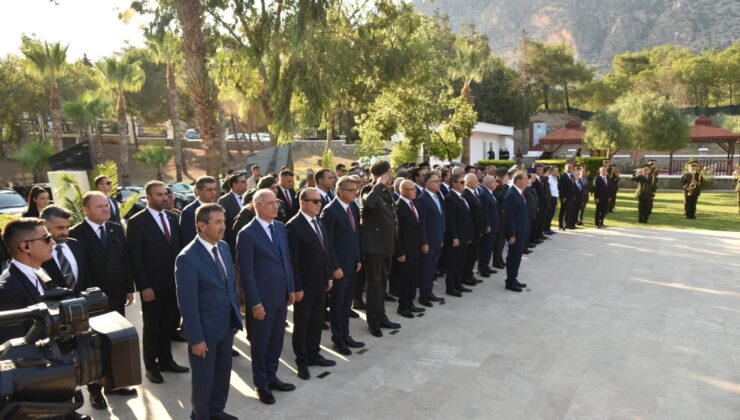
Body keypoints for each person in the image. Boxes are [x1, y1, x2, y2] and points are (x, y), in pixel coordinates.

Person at [0, 219, 92, 420]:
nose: (52, 243)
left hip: (57, 380)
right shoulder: (8, 289)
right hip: (38, 391)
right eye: (46, 238)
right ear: (25, 246)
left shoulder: (41, 272)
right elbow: (16, 354)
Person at [175, 203, 243, 420]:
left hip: (225, 326)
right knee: (204, 380)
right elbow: (187, 304)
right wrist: (196, 338)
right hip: (204, 333)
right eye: (218, 222)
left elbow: (229, 286)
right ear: (202, 225)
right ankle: (201, 416)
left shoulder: (223, 247)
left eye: (223, 221)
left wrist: (235, 319)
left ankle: (216, 411)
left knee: (222, 376)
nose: (223, 226)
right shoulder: (187, 258)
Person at [237, 189, 296, 405]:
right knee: (261, 344)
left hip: (281, 296)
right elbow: (247, 272)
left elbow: (286, 260)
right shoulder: (247, 233)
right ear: (258, 206)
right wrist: (254, 302)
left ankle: (272, 377)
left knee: (276, 341)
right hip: (262, 300)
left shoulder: (279, 227)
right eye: (271, 203)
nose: (276, 207)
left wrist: (290, 287)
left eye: (276, 203)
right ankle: (261, 385)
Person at [127, 181, 189, 384]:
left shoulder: (172, 217)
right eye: (159, 194)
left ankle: (166, 360)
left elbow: (178, 250)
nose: (164, 197)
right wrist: (144, 286)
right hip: (152, 286)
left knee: (168, 324)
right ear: (148, 197)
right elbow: (135, 258)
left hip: (173, 283)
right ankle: (151, 367)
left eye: (165, 193)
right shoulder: (137, 222)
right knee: (152, 326)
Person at [286, 188, 337, 380]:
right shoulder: (294, 226)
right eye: (314, 201)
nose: (319, 204)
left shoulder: (319, 221)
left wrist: (329, 276)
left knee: (316, 322)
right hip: (304, 287)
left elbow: (326, 251)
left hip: (321, 283)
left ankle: (314, 354)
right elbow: (293, 260)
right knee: (302, 324)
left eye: (320, 201)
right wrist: (297, 287)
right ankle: (302, 360)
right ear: (303, 203)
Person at [69, 192, 134, 315]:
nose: (105, 209)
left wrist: (129, 289)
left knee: (119, 331)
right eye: (99, 206)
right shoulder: (75, 233)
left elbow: (125, 259)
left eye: (106, 205)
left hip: (117, 293)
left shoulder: (116, 228)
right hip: (94, 297)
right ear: (86, 210)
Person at [321, 176, 365, 355]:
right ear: (340, 191)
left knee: (346, 304)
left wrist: (358, 258)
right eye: (351, 190)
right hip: (339, 267)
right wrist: (335, 267)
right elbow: (327, 242)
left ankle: (346, 335)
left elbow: (355, 236)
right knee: (338, 305)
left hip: (352, 264)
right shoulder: (330, 211)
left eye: (356, 190)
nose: (355, 193)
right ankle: (338, 339)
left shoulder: (353, 206)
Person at [360, 160, 401, 338]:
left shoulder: (386, 190)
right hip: (374, 247)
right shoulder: (369, 189)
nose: (391, 176)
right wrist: (378, 184)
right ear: (381, 174)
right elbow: (368, 204)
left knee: (382, 285)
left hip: (386, 245)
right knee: (374, 286)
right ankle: (373, 322)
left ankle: (382, 317)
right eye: (389, 173)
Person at [391, 180, 425, 319]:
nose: (415, 191)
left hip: (414, 248)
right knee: (405, 279)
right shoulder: (399, 206)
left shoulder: (412, 204)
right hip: (405, 251)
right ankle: (402, 306)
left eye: (415, 189)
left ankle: (410, 302)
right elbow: (396, 233)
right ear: (403, 191)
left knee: (412, 278)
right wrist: (400, 252)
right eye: (412, 189)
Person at [40, 205, 89, 295]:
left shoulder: (75, 244)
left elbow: (86, 277)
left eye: (67, 227)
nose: (65, 232)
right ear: (44, 226)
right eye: (60, 228)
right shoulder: (38, 252)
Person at [415, 172, 446, 307]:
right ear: (427, 183)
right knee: (426, 269)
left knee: (432, 269)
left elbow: (440, 217)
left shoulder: (437, 196)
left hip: (437, 239)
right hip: (428, 241)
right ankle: (424, 295)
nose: (439, 183)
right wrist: (424, 242)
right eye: (435, 181)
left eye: (439, 181)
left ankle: (429, 292)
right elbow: (422, 224)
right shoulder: (422, 199)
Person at [443, 173, 473, 297]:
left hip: (464, 235)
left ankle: (458, 283)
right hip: (456, 237)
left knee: (461, 261)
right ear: (454, 183)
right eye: (461, 182)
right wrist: (454, 236)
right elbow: (450, 220)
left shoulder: (462, 196)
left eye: (464, 182)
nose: (464, 185)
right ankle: (450, 287)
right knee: (453, 262)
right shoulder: (450, 198)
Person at [503, 172, 530, 292]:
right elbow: (509, 217)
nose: (527, 181)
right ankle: (510, 281)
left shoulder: (519, 193)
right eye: (525, 179)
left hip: (521, 231)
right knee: (513, 257)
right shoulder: (511, 194)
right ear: (518, 181)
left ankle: (514, 278)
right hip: (515, 234)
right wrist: (511, 234)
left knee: (517, 256)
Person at [180, 176, 220, 246]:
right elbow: (188, 241)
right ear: (198, 191)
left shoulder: (218, 209)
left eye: (215, 189)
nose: (213, 193)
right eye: (209, 190)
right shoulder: (188, 212)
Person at [461, 174, 486, 286]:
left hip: (477, 231)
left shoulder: (473, 193)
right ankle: (465, 276)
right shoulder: (466, 194)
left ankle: (470, 275)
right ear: (469, 182)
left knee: (472, 255)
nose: (478, 182)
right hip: (471, 231)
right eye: (476, 180)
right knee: (469, 256)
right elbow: (468, 215)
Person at [217, 172, 248, 256]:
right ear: (234, 184)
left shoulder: (249, 197)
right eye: (243, 182)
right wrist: (228, 248)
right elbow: (223, 225)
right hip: (233, 246)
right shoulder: (224, 201)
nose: (246, 183)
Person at [478, 175, 500, 278]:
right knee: (485, 247)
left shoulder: (490, 193)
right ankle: (482, 268)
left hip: (493, 225)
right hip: (489, 226)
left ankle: (486, 266)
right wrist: (487, 225)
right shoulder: (484, 194)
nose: (496, 183)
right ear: (488, 184)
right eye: (493, 181)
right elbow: (485, 211)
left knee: (489, 247)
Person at [545, 166, 559, 235]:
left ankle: (549, 228)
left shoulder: (555, 178)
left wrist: (557, 198)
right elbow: (548, 190)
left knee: (552, 214)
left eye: (557, 170)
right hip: (551, 198)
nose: (557, 172)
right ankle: (546, 229)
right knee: (549, 214)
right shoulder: (549, 178)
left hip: (555, 198)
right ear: (551, 171)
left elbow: (556, 189)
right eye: (555, 170)